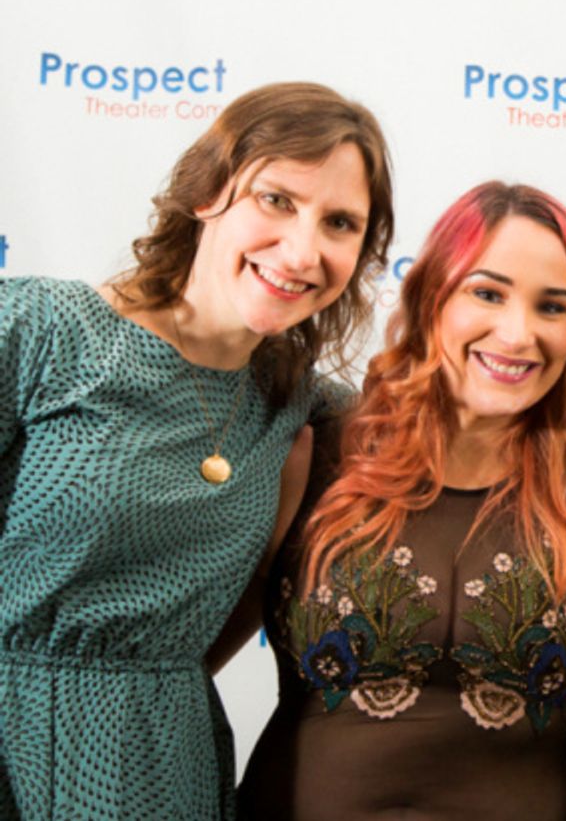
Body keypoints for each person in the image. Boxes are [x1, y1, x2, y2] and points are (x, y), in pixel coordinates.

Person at [0, 82, 394, 820]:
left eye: (340, 222)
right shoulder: (40, 329)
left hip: (156, 769)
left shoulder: (301, 406)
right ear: (208, 190)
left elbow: (456, 416)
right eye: (276, 199)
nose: (303, 249)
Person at [237, 181, 566, 821]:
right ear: (431, 297)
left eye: (553, 306)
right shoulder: (318, 452)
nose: (518, 333)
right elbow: (180, 661)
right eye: (488, 293)